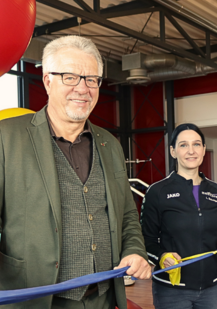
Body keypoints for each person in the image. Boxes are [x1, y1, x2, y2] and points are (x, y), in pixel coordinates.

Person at [0, 35, 151, 309]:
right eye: (70, 77)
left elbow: (127, 214)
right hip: (35, 300)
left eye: (91, 79)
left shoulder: (111, 144)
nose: (83, 88)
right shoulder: (6, 138)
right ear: (47, 81)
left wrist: (135, 251)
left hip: (103, 299)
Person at [141, 123, 217, 309]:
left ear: (203, 150)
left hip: (212, 289)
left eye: (196, 144)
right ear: (173, 151)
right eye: (183, 145)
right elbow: (145, 240)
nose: (191, 151)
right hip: (171, 291)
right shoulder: (157, 192)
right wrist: (161, 256)